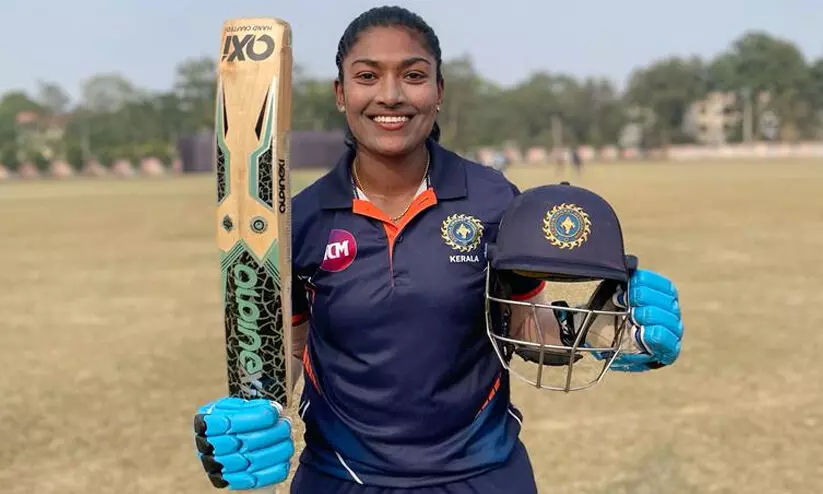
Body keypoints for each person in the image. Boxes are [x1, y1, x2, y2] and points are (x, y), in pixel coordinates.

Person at [192, 6, 684, 493]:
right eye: (367, 76)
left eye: (413, 75)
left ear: (439, 91)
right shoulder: (301, 220)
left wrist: (603, 331)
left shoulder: (493, 198)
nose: (390, 95)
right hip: (344, 477)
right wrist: (253, 414)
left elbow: (524, 325)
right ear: (341, 94)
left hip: (482, 476)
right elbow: (289, 349)